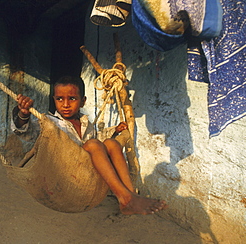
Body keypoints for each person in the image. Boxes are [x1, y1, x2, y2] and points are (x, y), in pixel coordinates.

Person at [12, 76, 167, 215]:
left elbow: (98, 139)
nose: (65, 104)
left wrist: (114, 131)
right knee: (93, 144)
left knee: (111, 143)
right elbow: (26, 132)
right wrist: (23, 115)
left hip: (88, 170)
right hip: (65, 174)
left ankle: (130, 196)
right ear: (54, 100)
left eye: (72, 98)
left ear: (83, 101)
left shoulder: (86, 122)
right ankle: (125, 197)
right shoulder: (50, 123)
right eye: (60, 99)